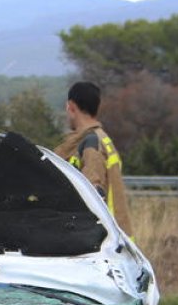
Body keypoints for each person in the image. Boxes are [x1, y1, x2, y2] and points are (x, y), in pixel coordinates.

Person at [53, 81, 131, 233]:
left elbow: (93, 195)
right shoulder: (100, 139)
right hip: (113, 235)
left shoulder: (91, 143)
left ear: (71, 106)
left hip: (103, 239)